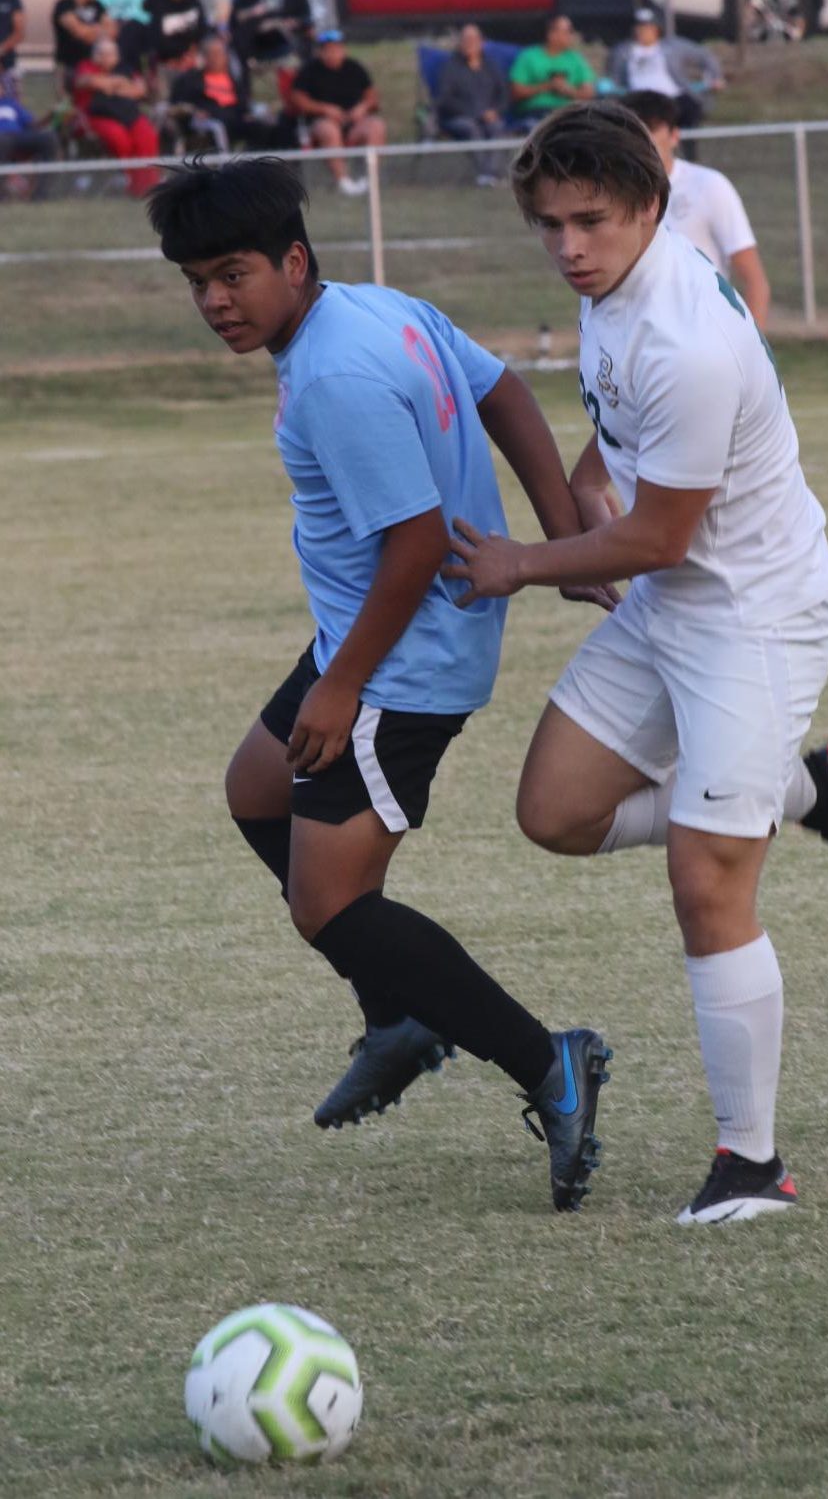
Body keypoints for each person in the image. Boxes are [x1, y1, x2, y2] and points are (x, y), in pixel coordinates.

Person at [445, 102, 828, 1226]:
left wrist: (526, 559)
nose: (567, 246)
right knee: (554, 809)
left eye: (589, 221)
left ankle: (751, 1166)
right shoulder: (621, 288)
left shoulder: (686, 342)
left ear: (650, 204)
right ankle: (815, 787)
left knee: (705, 879)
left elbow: (659, 536)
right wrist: (592, 477)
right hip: (672, 604)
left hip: (752, 615)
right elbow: (620, 427)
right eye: (548, 223)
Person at [145, 156, 614, 1214]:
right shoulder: (374, 310)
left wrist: (339, 687)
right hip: (367, 641)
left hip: (399, 666)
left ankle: (548, 1060)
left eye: (231, 274)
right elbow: (500, 387)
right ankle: (398, 1015)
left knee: (330, 902)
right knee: (256, 789)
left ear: (292, 261)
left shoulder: (334, 377)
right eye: (195, 281)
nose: (215, 300)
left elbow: (410, 544)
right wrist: (556, 532)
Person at [625, 88, 770, 329]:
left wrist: (754, 354)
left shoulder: (709, 186)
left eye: (650, 128)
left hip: (704, 333)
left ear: (674, 135)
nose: (642, 141)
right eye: (633, 131)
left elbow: (755, 281)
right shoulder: (615, 197)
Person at [607, 7, 723, 155]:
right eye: (639, 26)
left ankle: (689, 155)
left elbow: (705, 56)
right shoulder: (622, 52)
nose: (642, 31)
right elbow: (615, 79)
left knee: (689, 109)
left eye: (647, 27)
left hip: (674, 97)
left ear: (656, 29)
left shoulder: (672, 47)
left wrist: (714, 76)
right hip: (641, 100)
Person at [288, 28, 385, 196]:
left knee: (376, 126)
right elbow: (298, 99)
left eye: (337, 48)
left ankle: (370, 179)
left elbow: (372, 97)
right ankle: (344, 182)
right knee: (329, 130)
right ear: (321, 51)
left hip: (354, 123)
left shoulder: (354, 68)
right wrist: (325, 109)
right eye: (328, 49)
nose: (333, 53)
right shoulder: (309, 71)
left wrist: (362, 108)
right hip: (322, 124)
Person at [169, 34, 297, 151]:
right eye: (212, 54)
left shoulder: (233, 79)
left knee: (269, 128)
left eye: (220, 54)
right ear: (204, 57)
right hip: (211, 121)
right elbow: (180, 105)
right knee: (219, 128)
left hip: (235, 118)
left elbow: (243, 103)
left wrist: (249, 113)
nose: (216, 58)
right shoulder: (190, 80)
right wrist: (194, 111)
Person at [73, 34, 159, 195]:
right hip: (97, 117)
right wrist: (119, 83)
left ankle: (146, 185)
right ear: (95, 55)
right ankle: (127, 181)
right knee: (119, 138)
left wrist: (110, 85)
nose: (106, 58)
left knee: (146, 134)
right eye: (102, 54)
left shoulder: (125, 68)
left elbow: (139, 90)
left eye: (111, 54)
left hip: (127, 113)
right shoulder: (86, 66)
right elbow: (86, 82)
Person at [436, 23, 508, 188]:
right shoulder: (451, 68)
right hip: (458, 118)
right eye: (466, 39)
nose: (470, 42)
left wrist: (495, 111)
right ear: (460, 42)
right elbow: (445, 100)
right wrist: (476, 113)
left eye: (473, 39)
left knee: (496, 127)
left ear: (481, 42)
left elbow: (503, 96)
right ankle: (484, 174)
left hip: (489, 117)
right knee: (471, 128)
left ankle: (493, 173)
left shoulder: (491, 66)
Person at [508, 14, 595, 132]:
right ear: (551, 34)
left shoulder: (576, 59)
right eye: (567, 31)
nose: (571, 35)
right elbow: (516, 92)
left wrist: (568, 90)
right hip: (536, 113)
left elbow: (589, 93)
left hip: (568, 112)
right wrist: (548, 86)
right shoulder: (529, 56)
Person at [0, 89, 59, 195]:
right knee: (2, 141)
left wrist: (51, 115)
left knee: (48, 138)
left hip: (18, 137)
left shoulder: (11, 104)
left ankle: (41, 194)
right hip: (2, 139)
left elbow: (34, 125)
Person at [51, 0, 116, 93]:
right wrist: (99, 29)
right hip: (68, 64)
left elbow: (112, 31)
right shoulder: (64, 5)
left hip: (92, 64)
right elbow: (78, 31)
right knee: (66, 102)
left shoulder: (98, 6)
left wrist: (89, 32)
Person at [228, 0, 312, 70]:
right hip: (258, 58)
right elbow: (234, 25)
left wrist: (294, 22)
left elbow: (307, 21)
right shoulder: (244, 2)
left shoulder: (296, 0)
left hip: (290, 52)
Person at [0, 0, 25, 102]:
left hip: (7, 64)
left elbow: (19, 33)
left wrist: (2, 49)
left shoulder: (13, 1)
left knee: (12, 104)